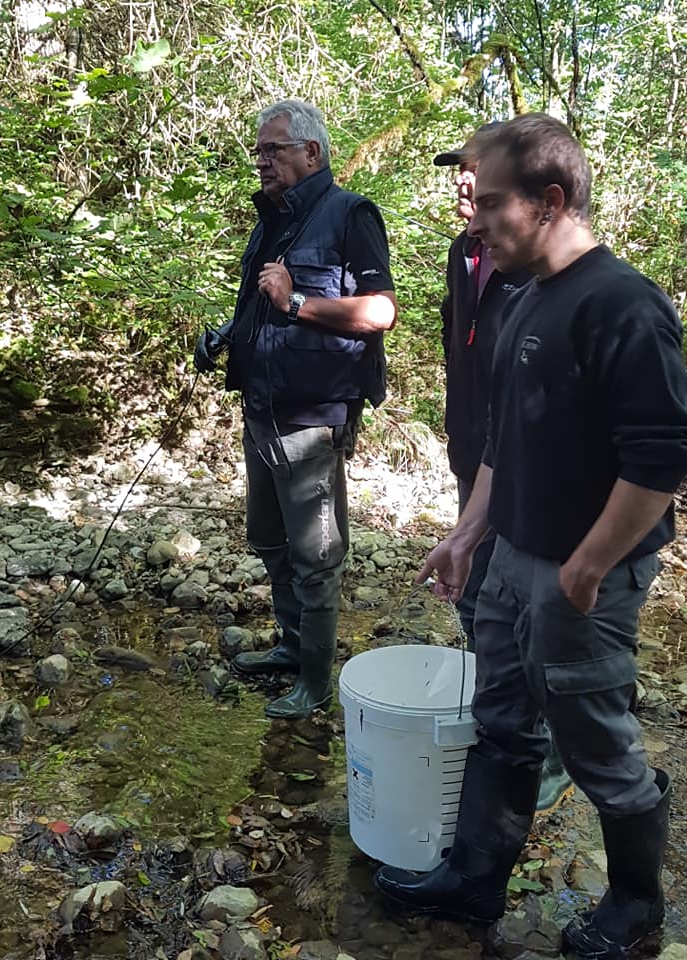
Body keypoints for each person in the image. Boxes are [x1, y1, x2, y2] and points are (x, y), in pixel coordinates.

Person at [375, 113, 687, 959]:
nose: (475, 219)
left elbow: (661, 459)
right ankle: (475, 880)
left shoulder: (624, 303)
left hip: (584, 575)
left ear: (549, 201)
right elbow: (502, 444)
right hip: (512, 556)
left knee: (594, 740)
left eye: (492, 202)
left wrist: (590, 563)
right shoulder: (524, 298)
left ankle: (636, 907)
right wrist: (467, 535)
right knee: (502, 722)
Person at [195, 99, 396, 721]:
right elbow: (263, 308)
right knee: (268, 539)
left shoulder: (350, 214)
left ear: (312, 152)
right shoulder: (272, 222)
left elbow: (380, 311)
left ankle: (315, 682)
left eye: (273, 149)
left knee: (316, 557)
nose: (262, 160)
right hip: (262, 408)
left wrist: (298, 301)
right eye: (258, 151)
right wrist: (226, 337)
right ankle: (290, 646)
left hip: (312, 417)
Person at [435, 125, 572, 815]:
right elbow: (462, 354)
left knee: (536, 628)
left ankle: (552, 752)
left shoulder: (542, 275)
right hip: (479, 458)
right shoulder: (465, 254)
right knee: (480, 603)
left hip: (537, 486)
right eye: (460, 175)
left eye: (480, 179)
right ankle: (503, 732)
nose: (465, 187)